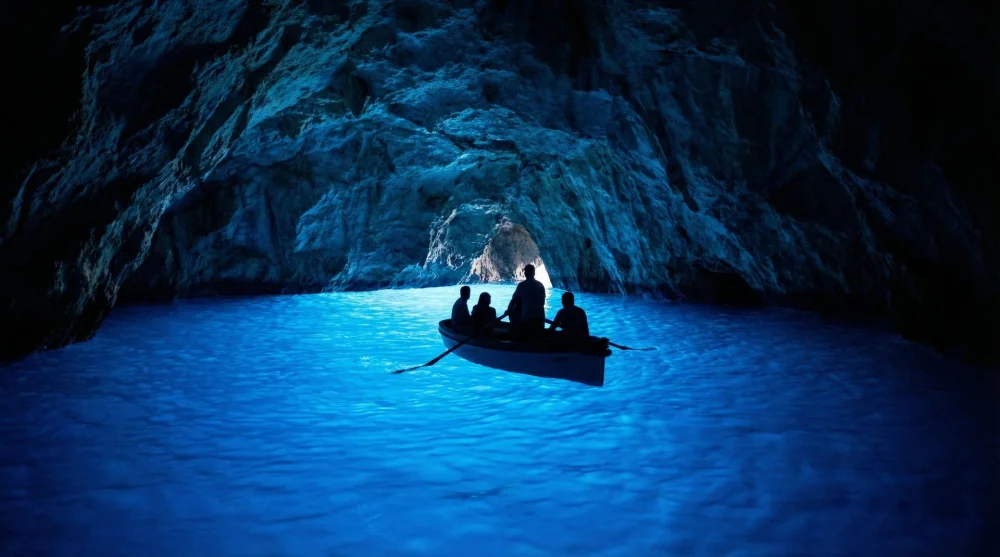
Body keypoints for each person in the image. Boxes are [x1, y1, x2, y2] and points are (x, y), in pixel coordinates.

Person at [508, 264, 546, 339]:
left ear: (525, 273)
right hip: (540, 320)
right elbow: (542, 302)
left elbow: (514, 300)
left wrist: (509, 311)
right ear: (534, 273)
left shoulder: (522, 285)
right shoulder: (540, 285)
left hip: (526, 319)